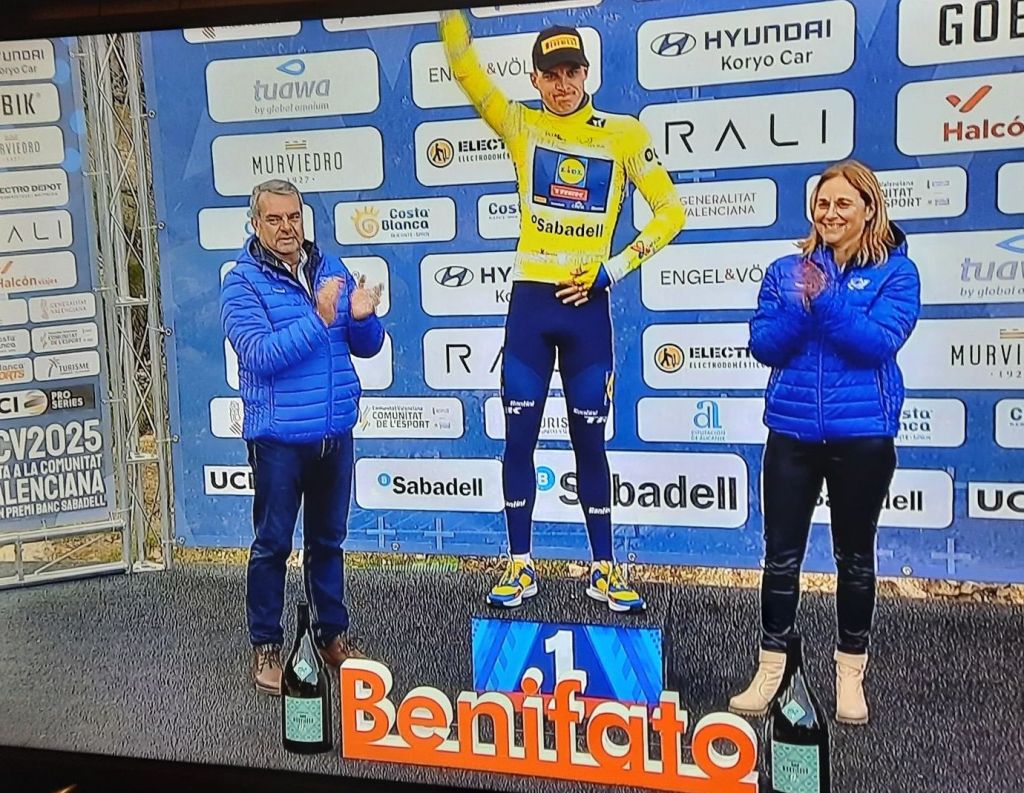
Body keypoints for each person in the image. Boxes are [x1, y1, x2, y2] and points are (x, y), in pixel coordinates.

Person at [439, 11, 686, 613]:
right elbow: (465, 69)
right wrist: (450, 15)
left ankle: (604, 569)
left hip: (587, 309)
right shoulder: (520, 123)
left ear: (586, 73)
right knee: (518, 440)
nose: (563, 84)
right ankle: (519, 565)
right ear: (535, 79)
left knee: (590, 444)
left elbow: (671, 212)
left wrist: (612, 269)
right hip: (531, 304)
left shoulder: (622, 133)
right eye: (551, 74)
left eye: (572, 71)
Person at [729, 160, 921, 725]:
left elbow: (877, 343)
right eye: (822, 203)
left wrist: (826, 300)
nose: (830, 214)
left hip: (863, 435)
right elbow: (764, 344)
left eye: (843, 204)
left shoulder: (897, 273)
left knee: (854, 558)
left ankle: (849, 675)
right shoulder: (785, 270)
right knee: (780, 558)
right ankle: (771, 671)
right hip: (790, 432)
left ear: (869, 209)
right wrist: (801, 305)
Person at [220, 178, 384, 695]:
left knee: (328, 542)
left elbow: (368, 345)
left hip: (334, 432)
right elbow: (260, 355)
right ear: (255, 224)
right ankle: (266, 645)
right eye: (274, 219)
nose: (286, 227)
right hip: (279, 441)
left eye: (293, 217)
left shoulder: (330, 267)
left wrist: (364, 319)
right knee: (272, 545)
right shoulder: (241, 283)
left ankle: (332, 636)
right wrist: (318, 317)